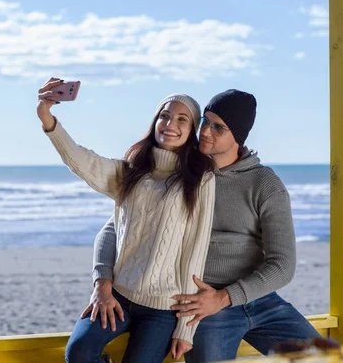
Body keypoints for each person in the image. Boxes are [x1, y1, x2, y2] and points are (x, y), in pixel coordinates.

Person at [94, 89, 321, 363]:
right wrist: (102, 281)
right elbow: (117, 227)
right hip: (203, 304)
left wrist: (227, 296)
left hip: (260, 300)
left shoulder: (264, 184)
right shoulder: (181, 173)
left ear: (237, 137)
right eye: (205, 122)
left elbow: (283, 265)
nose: (205, 132)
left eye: (218, 127)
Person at [36, 77, 216, 363]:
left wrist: (186, 328)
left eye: (182, 119)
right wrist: (48, 119)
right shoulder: (132, 171)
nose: (171, 124)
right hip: (117, 297)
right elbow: (84, 162)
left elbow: (195, 253)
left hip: (163, 309)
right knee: (79, 353)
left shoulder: (200, 179)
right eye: (165, 116)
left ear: (192, 130)